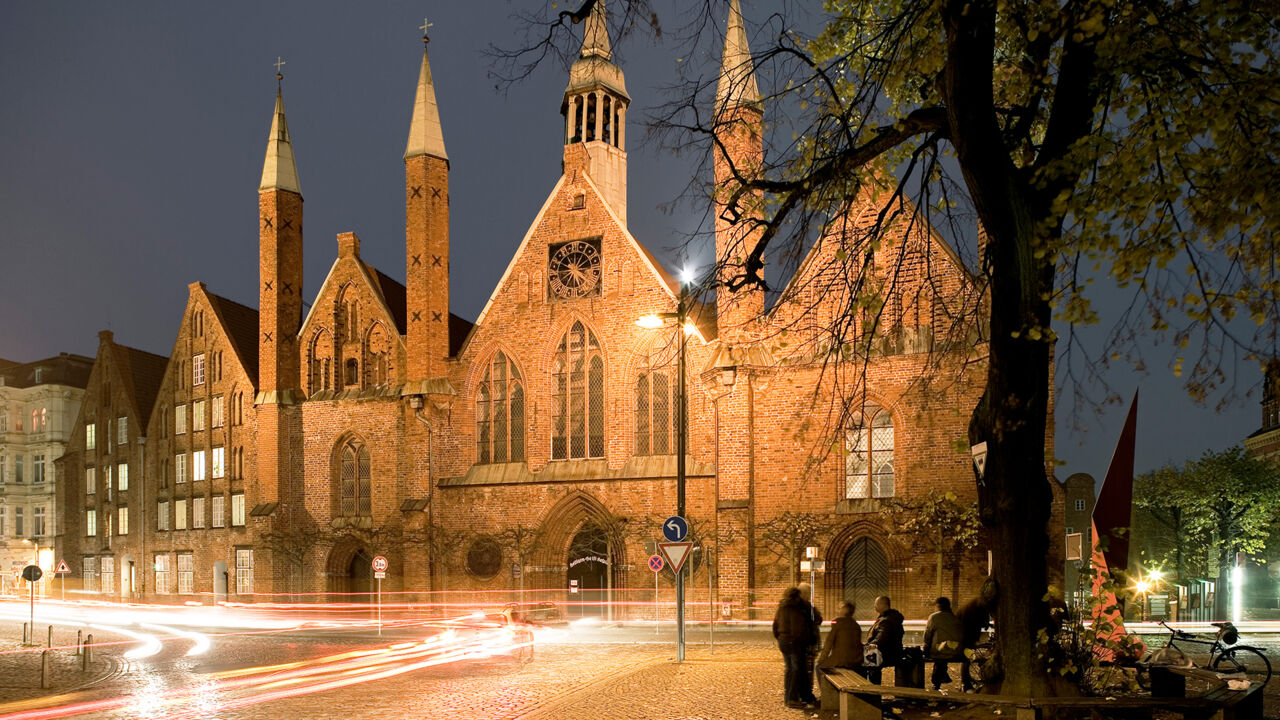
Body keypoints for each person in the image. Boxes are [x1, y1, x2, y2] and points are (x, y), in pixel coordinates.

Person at [772, 586, 817, 708]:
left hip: (784, 641)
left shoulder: (782, 607)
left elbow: (775, 625)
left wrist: (780, 637)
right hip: (794, 643)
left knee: (790, 669)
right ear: (796, 596)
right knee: (796, 669)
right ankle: (792, 698)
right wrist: (804, 641)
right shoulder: (796, 609)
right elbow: (798, 628)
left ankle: (790, 698)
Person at [923, 596, 964, 690]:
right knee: (943, 654)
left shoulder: (934, 617)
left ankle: (936, 683)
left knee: (939, 655)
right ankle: (943, 676)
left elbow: (927, 636)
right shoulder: (955, 618)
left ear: (938, 606)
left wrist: (926, 648)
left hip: (940, 652)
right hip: (957, 651)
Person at [864, 595, 904, 684]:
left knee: (867, 664)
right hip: (894, 651)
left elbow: (881, 638)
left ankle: (872, 691)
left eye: (877, 604)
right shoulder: (892, 618)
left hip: (886, 653)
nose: (874, 606)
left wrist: (868, 645)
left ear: (884, 605)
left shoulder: (886, 620)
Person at [956, 596, 991, 692]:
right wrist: (986, 623)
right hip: (968, 636)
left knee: (966, 658)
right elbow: (981, 622)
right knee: (966, 659)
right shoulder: (976, 609)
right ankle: (965, 683)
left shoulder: (969, 607)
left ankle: (966, 682)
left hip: (965, 635)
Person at [797, 582, 823, 706]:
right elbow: (818, 620)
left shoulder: (806, 606)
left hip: (808, 643)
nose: (808, 595)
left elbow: (818, 619)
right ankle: (806, 694)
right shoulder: (803, 607)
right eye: (807, 593)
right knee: (806, 670)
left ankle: (805, 694)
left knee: (807, 669)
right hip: (806, 643)